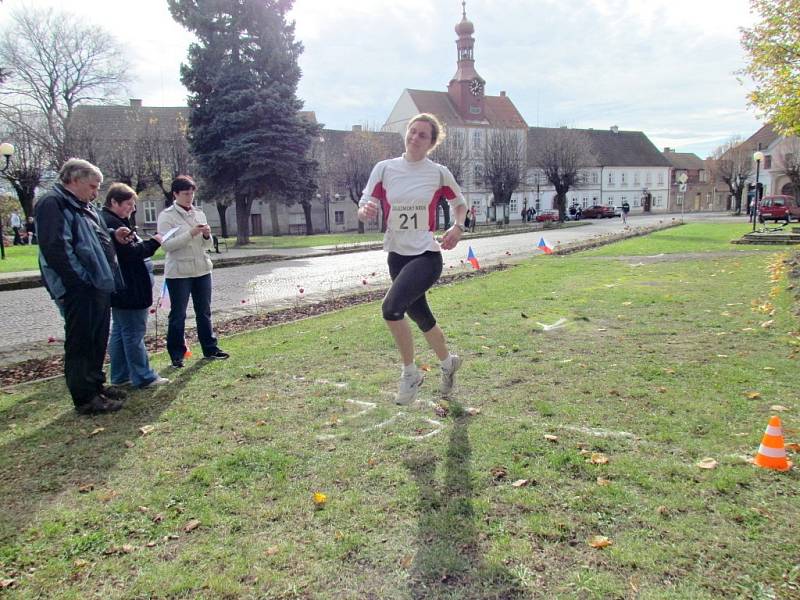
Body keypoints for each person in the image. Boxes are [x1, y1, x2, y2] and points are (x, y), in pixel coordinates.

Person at [358, 113, 467, 405]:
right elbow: (366, 200)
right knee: (422, 318)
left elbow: (460, 204)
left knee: (392, 310)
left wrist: (458, 227)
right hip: (397, 256)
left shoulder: (438, 172)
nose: (415, 137)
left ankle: (410, 373)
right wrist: (365, 210)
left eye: (422, 135)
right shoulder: (384, 168)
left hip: (426, 256)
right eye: (412, 131)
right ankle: (448, 363)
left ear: (431, 143)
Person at [36, 158, 131, 415]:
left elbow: (88, 238)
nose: (95, 192)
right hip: (79, 287)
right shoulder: (52, 203)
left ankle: (96, 386)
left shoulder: (82, 205)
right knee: (81, 342)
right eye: (92, 186)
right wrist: (79, 282)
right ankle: (85, 398)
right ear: (74, 180)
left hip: (97, 284)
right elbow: (56, 248)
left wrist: (112, 236)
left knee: (97, 338)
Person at [102, 184, 170, 389]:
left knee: (121, 331)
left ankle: (120, 375)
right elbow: (132, 253)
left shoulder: (110, 221)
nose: (132, 209)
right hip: (129, 287)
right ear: (114, 202)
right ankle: (144, 376)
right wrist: (155, 242)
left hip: (122, 287)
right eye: (129, 204)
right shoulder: (112, 224)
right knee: (132, 333)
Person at [157, 175, 228, 368]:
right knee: (178, 314)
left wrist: (206, 235)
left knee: (203, 311)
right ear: (176, 194)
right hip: (179, 272)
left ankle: (210, 348)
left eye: (192, 193)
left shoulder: (199, 213)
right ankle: (177, 354)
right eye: (185, 194)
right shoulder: (167, 216)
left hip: (202, 269)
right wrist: (191, 233)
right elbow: (167, 246)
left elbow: (207, 245)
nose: (189, 197)